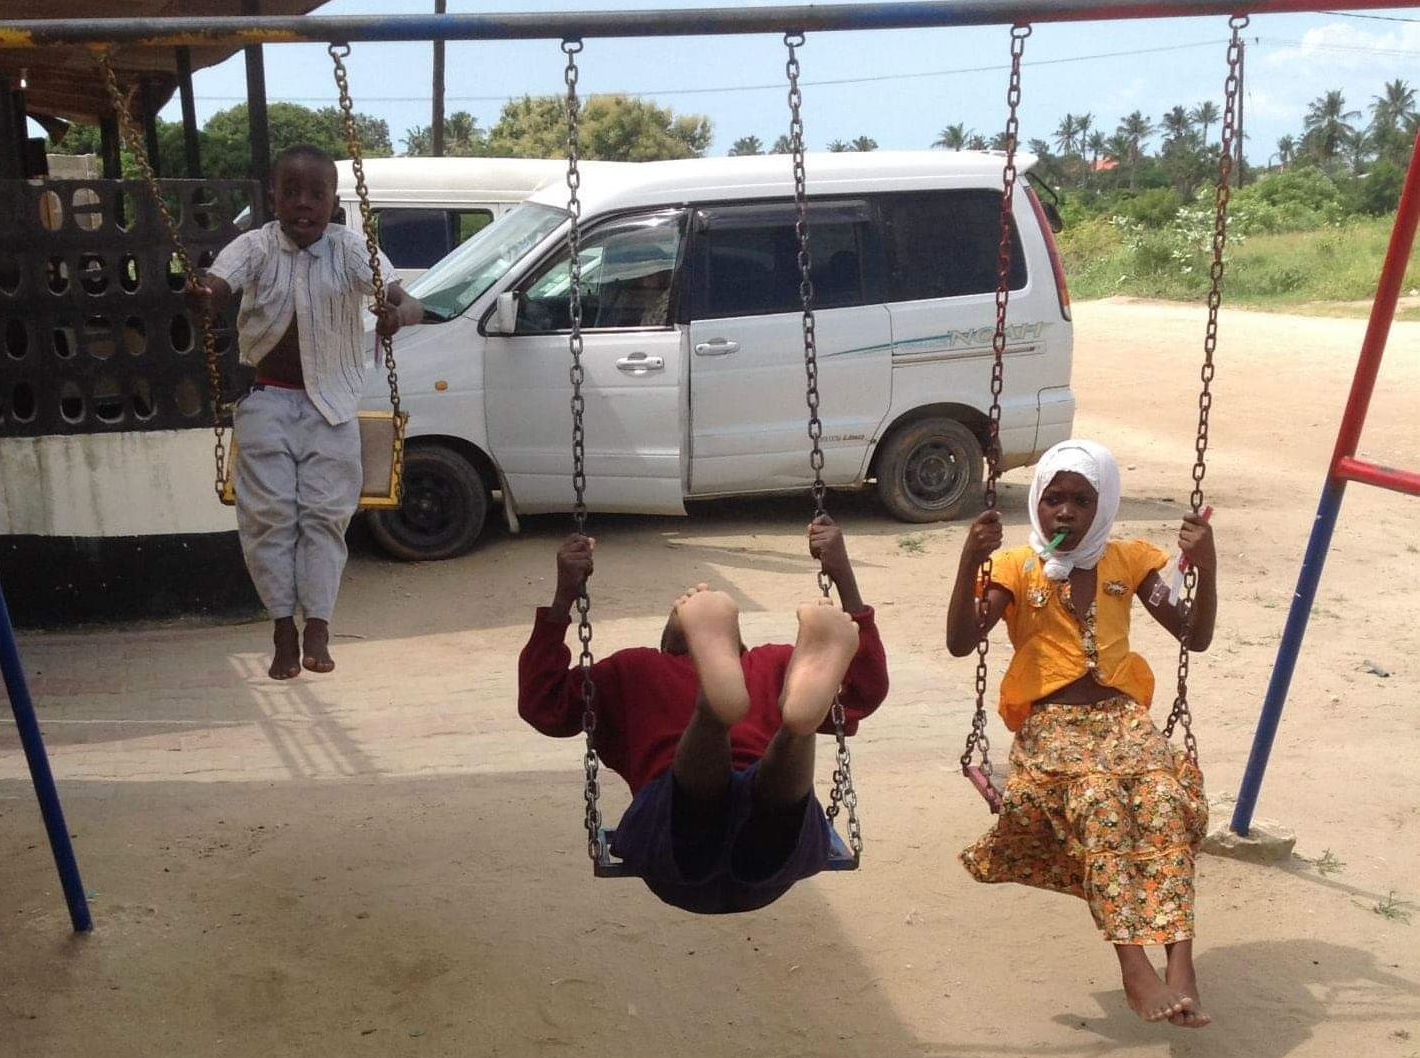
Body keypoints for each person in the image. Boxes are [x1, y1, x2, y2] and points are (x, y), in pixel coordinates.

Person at [946, 439, 1217, 1029]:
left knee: (1165, 800)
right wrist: (970, 562)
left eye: (1082, 500)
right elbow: (962, 642)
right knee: (1099, 804)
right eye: (1053, 499)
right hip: (1051, 726)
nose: (1065, 512)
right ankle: (1133, 965)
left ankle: (1181, 961)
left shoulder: (1128, 562)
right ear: (1037, 503)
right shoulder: (1016, 568)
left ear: (1104, 506)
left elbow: (1193, 636)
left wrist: (1207, 564)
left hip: (1122, 719)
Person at [517, 516, 888, 915]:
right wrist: (564, 597)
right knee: (761, 803)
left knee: (730, 800)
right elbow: (545, 706)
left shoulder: (770, 664)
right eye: (690, 605)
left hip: (675, 855)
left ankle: (733, 714)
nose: (698, 591)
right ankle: (788, 726)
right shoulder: (632, 671)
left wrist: (842, 574)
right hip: (766, 856)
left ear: (731, 642)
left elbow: (542, 706)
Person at [186, 144, 423, 681]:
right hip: (266, 400)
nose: (303, 203)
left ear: (333, 202)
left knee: (324, 517)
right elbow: (218, 285)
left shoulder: (350, 248)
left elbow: (409, 301)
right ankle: (281, 626)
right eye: (290, 192)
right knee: (268, 518)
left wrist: (397, 315)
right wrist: (203, 296)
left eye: (316, 194)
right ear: (273, 196)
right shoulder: (255, 246)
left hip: (331, 405)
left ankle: (317, 623)